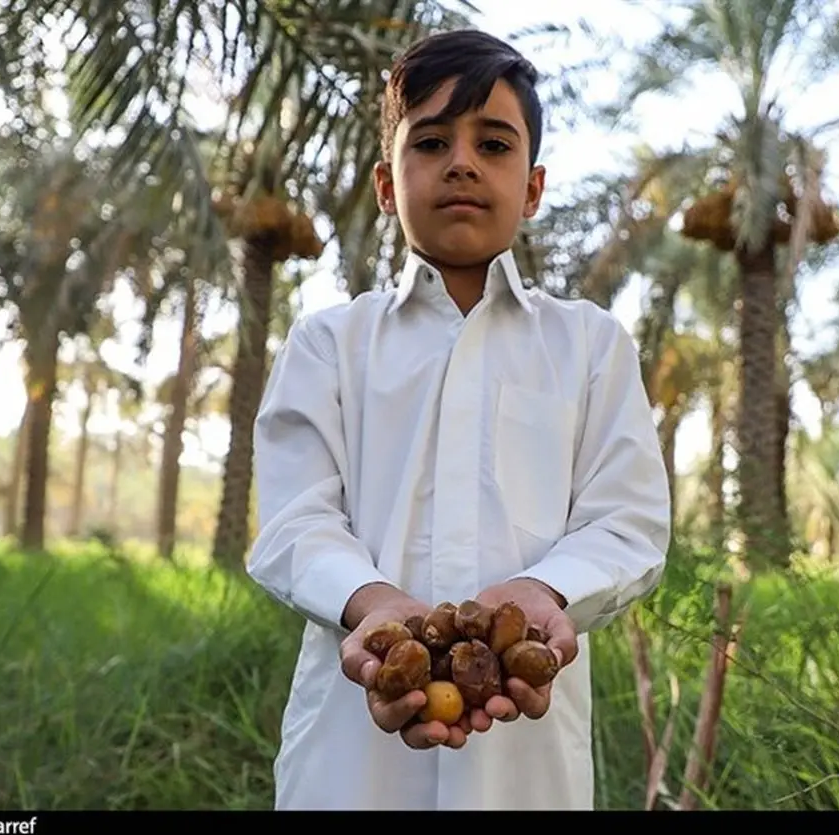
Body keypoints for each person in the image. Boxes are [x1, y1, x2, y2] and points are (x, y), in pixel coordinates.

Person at [246, 27, 672, 811]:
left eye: (495, 144)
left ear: (534, 188)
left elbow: (628, 523)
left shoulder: (589, 345)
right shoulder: (328, 345)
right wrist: (376, 606)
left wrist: (542, 592)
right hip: (347, 764)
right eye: (432, 141)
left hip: (527, 766)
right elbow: (295, 523)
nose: (463, 163)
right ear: (386, 183)